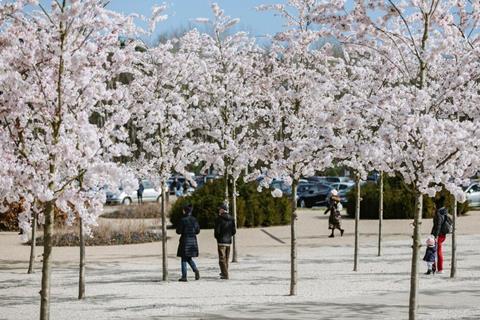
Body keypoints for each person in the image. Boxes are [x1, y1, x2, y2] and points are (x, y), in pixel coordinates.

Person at [176, 204, 200, 282]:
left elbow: (178, 231)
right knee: (188, 258)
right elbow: (197, 231)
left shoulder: (183, 220)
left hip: (185, 241)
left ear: (185, 211)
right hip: (193, 241)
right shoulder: (194, 219)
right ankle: (195, 270)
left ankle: (184, 276)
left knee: (183, 258)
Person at [214, 203, 236, 280]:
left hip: (221, 241)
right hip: (228, 241)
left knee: (221, 258)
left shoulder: (219, 219)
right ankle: (224, 272)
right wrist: (229, 236)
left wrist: (217, 237)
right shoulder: (232, 218)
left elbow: (217, 231)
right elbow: (234, 231)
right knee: (226, 258)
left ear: (222, 210)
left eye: (219, 209)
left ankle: (225, 274)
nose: (218, 210)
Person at [431, 196, 448, 274]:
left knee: (434, 251)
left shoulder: (438, 213)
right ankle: (438, 268)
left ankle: (437, 268)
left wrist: (435, 236)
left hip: (438, 235)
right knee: (437, 251)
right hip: (442, 235)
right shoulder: (444, 211)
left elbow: (438, 225)